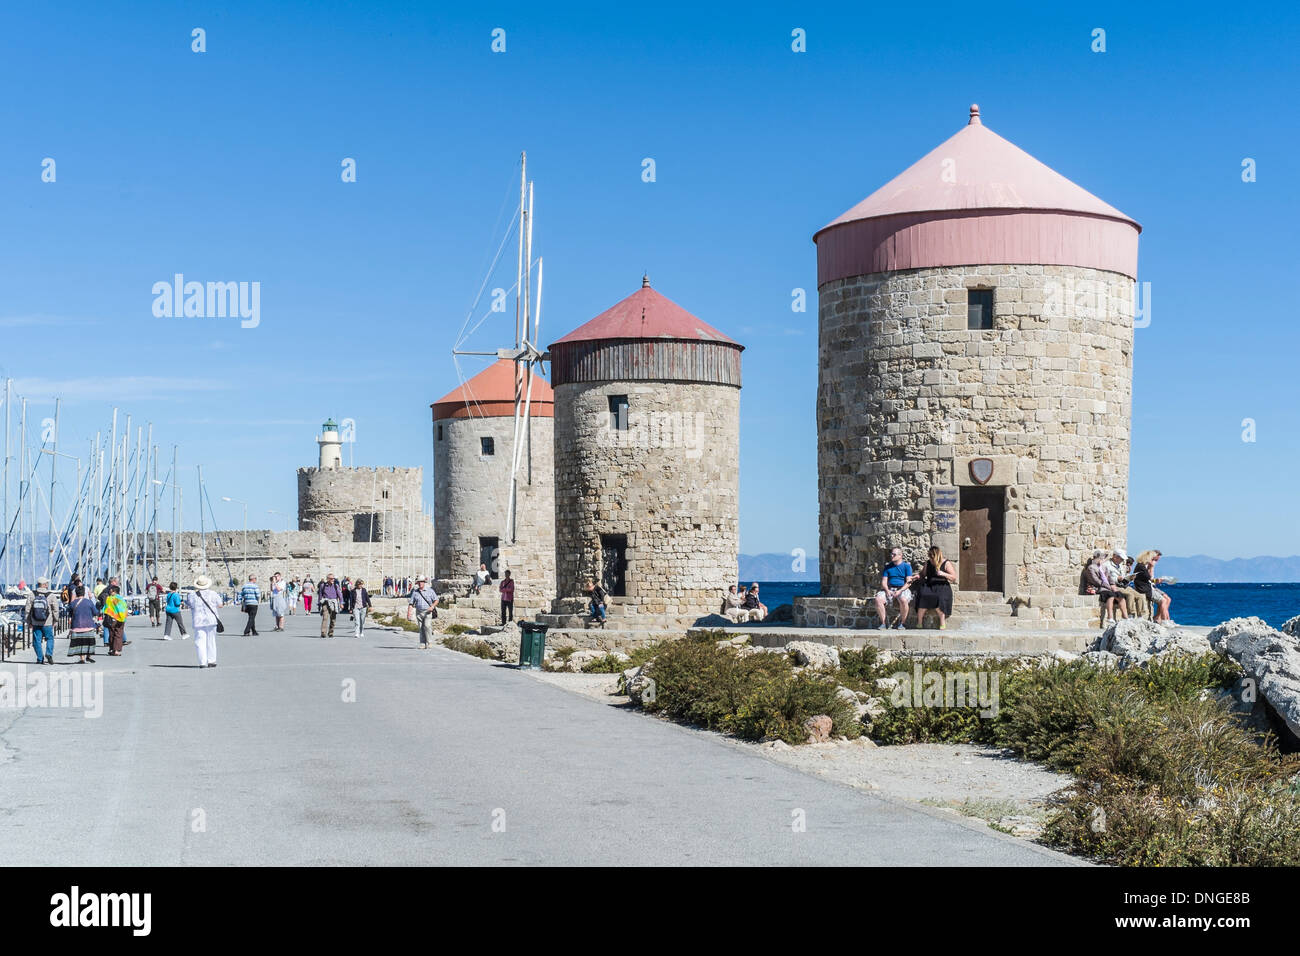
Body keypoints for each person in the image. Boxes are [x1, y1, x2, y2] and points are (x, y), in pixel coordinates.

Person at [913, 546, 957, 629]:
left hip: (942, 585)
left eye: (932, 557)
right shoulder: (928, 563)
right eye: (930, 557)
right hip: (930, 585)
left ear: (937, 555)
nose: (931, 559)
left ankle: (942, 622)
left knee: (939, 598)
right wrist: (917, 576)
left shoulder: (946, 563)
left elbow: (954, 577)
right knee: (923, 596)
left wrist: (943, 574)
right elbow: (923, 574)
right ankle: (919, 622)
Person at [186, 574, 224, 668]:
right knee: (211, 641)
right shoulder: (213, 593)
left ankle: (202, 662)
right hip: (211, 620)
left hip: (198, 621)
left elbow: (190, 605)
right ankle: (212, 661)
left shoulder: (192, 595)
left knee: (200, 641)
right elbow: (220, 605)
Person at [874, 548, 915, 630]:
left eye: (894, 554)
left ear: (900, 556)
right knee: (878, 599)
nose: (891, 556)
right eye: (891, 554)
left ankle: (902, 623)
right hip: (889, 588)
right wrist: (886, 590)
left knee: (903, 600)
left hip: (902, 588)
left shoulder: (906, 566)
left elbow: (909, 582)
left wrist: (900, 591)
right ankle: (883, 623)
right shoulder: (888, 567)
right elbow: (884, 581)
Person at [1084, 551, 1126, 625]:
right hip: (1098, 588)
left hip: (1107, 587)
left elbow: (1109, 578)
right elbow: (1096, 581)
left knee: (1120, 595)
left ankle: (1125, 616)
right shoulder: (1091, 568)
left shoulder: (1104, 567)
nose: (1103, 559)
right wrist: (1109, 587)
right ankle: (1110, 617)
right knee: (1110, 595)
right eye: (1101, 558)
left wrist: (1113, 585)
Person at [25, 576, 59, 665]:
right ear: (44, 585)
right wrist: (55, 620)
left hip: (35, 622)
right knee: (50, 638)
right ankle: (48, 653)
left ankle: (40, 658)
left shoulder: (32, 594)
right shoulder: (51, 595)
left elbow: (27, 609)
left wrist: (29, 622)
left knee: (37, 641)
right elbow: (55, 609)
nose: (47, 584)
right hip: (47, 622)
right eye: (47, 583)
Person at [1133, 550, 1173, 623]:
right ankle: (1164, 621)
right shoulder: (1141, 566)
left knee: (1167, 599)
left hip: (1148, 586)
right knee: (1163, 601)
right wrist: (1152, 567)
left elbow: (1149, 579)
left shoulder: (1142, 566)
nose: (1154, 561)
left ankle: (1163, 618)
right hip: (1145, 589)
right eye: (1153, 559)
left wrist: (1156, 580)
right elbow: (1150, 578)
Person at [1105, 548, 1147, 619]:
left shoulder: (1120, 565)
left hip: (1123, 585)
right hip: (1114, 586)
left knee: (1140, 596)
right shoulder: (1107, 565)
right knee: (1130, 595)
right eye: (1121, 558)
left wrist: (1129, 578)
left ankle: (1140, 616)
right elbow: (1106, 578)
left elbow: (1123, 576)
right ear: (1115, 556)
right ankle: (1131, 615)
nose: (1122, 560)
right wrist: (1117, 579)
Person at [66, 585, 98, 664]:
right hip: (89, 625)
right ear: (84, 593)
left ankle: (82, 658)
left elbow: (69, 613)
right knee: (89, 642)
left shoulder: (73, 603)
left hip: (76, 626)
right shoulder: (89, 602)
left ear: (76, 594)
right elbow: (96, 612)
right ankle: (89, 657)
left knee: (80, 642)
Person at [407, 576, 439, 649]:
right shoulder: (415, 592)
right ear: (417, 583)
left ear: (424, 582)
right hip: (419, 612)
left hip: (428, 611)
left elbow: (436, 600)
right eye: (419, 582)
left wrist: (432, 607)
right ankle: (422, 643)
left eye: (422, 582)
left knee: (427, 626)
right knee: (421, 627)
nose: (420, 583)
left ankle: (429, 642)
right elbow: (411, 603)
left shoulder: (430, 591)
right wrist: (409, 613)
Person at [101, 584, 129, 656]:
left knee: (111, 634)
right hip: (119, 618)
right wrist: (123, 617)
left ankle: (112, 649)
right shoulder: (119, 599)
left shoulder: (109, 598)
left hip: (110, 618)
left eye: (111, 591)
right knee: (118, 634)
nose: (110, 592)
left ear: (114, 591)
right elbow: (121, 608)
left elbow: (105, 609)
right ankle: (116, 650)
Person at [317, 573, 343, 638]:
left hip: (334, 603)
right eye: (331, 578)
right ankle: (323, 632)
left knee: (333, 619)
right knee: (325, 618)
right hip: (325, 602)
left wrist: (341, 603)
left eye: (333, 578)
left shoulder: (336, 586)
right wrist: (319, 604)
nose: (333, 580)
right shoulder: (323, 585)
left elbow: (340, 595)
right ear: (327, 579)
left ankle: (331, 632)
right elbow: (320, 595)